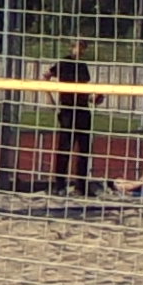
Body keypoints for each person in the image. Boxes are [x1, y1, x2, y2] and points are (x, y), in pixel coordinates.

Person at [45, 47, 96, 194]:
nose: (81, 50)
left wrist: (93, 98)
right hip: (68, 110)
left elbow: (84, 90)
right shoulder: (63, 63)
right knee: (65, 148)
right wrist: (50, 98)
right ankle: (59, 185)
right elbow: (46, 76)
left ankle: (81, 185)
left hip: (82, 110)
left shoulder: (83, 66)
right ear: (72, 47)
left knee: (84, 149)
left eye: (84, 47)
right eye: (79, 46)